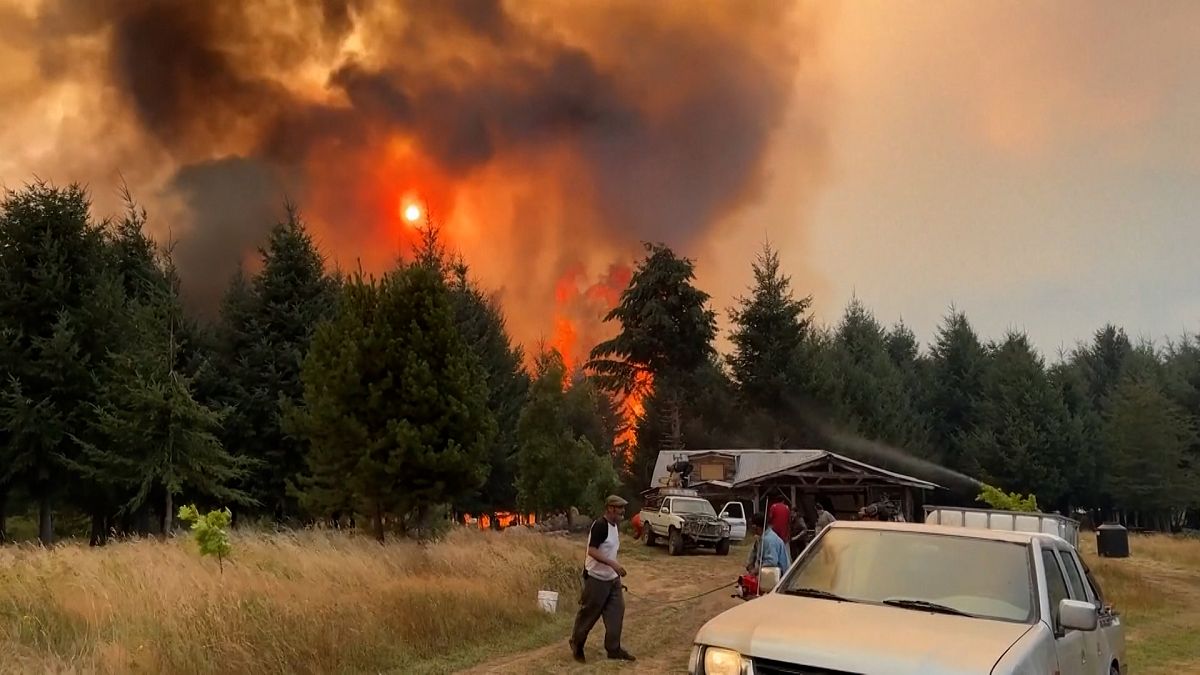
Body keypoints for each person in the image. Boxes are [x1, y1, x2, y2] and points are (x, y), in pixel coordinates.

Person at [570, 495, 636, 663]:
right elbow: (592, 551)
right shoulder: (600, 525)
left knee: (616, 612)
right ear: (610, 508)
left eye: (623, 508)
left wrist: (614, 570)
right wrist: (613, 564)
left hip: (612, 580)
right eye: (620, 508)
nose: (623, 512)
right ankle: (577, 645)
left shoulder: (614, 526)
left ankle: (613, 649)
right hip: (596, 579)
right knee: (589, 615)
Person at [746, 511, 791, 576]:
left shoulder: (769, 540)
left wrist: (756, 570)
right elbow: (754, 552)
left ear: (756, 527)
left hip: (780, 576)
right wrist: (750, 565)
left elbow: (771, 561)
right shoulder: (760, 538)